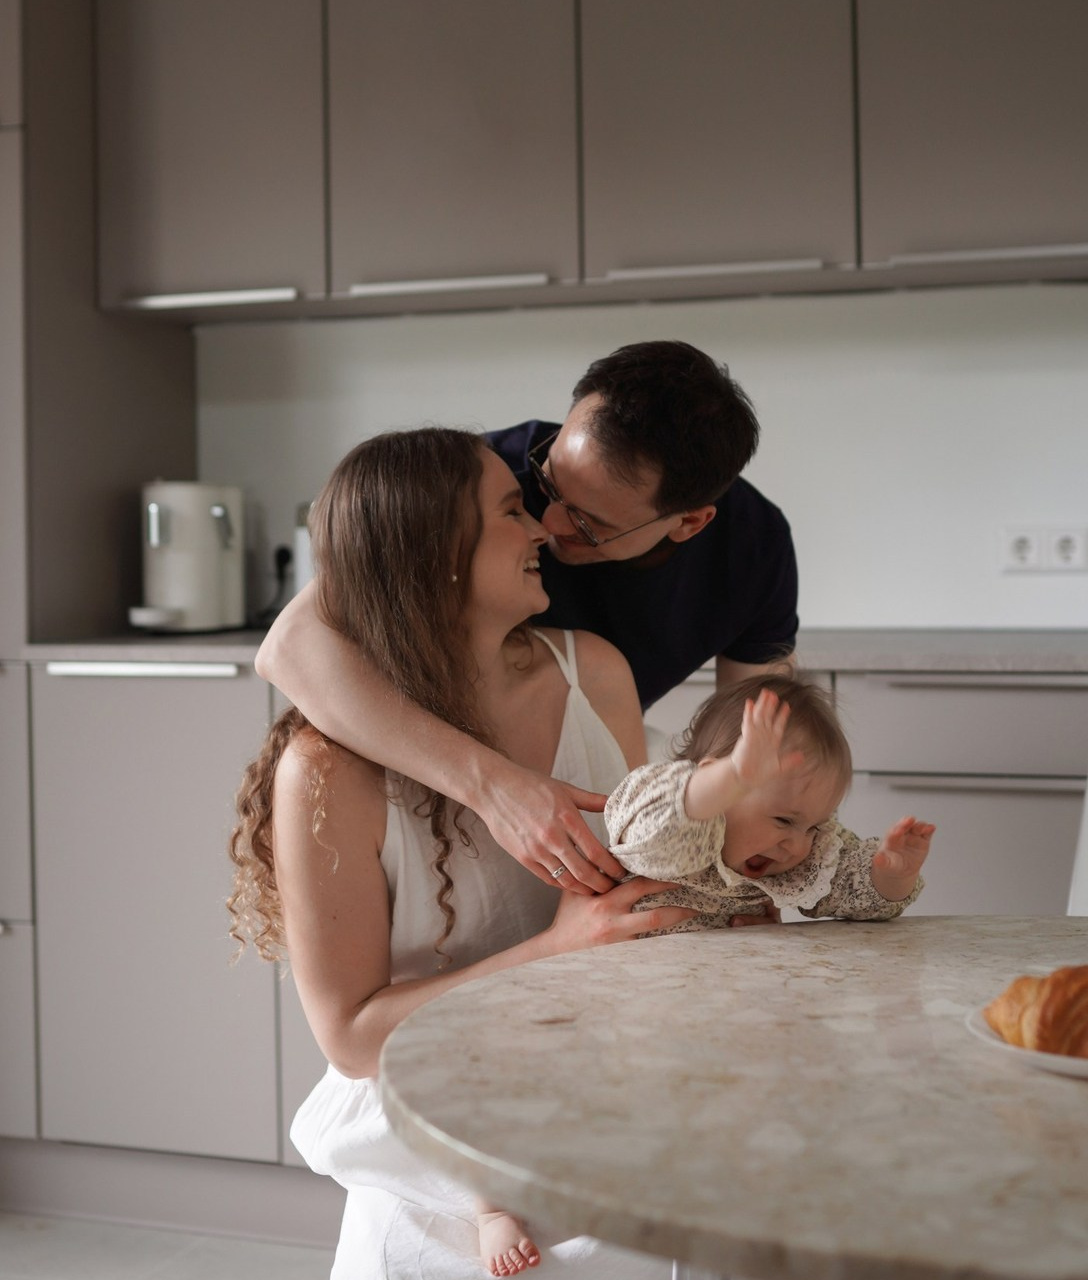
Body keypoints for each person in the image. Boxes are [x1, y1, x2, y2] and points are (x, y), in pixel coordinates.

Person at [227, 426, 698, 1280]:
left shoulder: (595, 674)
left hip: (602, 1109)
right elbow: (352, 1038)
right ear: (437, 554)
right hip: (431, 1147)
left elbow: (642, 899)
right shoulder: (325, 769)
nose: (544, 533)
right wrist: (555, 950)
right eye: (514, 511)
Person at [255, 340, 798, 894]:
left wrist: (748, 874)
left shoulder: (755, 551)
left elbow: (753, 739)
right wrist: (496, 788)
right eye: (547, 484)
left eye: (588, 525)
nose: (547, 522)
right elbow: (290, 644)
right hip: (429, 773)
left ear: (689, 524)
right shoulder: (480, 480)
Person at [604, 675, 934, 931]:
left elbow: (850, 887)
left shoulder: (801, 860)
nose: (798, 844)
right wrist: (732, 775)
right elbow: (658, 825)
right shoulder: (670, 833)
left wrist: (890, 875)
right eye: (784, 821)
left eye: (812, 827)